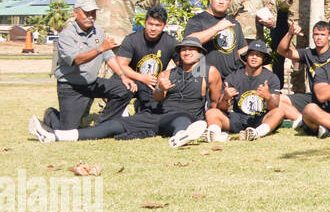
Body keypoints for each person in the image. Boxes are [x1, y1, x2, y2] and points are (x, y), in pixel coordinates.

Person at [30, 36, 215, 144]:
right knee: (113, 125)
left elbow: (214, 102)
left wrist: (212, 124)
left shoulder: (210, 73)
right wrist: (160, 86)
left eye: (193, 50)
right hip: (159, 116)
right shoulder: (167, 73)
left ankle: (180, 136)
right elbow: (158, 99)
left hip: (188, 117)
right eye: (184, 50)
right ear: (180, 53)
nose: (188, 52)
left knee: (181, 118)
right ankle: (55, 136)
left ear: (200, 54)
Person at [31, 0, 132, 135]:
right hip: (71, 86)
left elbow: (108, 56)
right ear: (75, 13)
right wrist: (99, 49)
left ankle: (101, 125)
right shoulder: (67, 35)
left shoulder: (98, 31)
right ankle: (51, 115)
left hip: (91, 83)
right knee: (68, 130)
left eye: (93, 13)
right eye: (87, 13)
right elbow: (77, 60)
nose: (90, 17)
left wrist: (123, 76)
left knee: (125, 89)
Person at [203, 40, 297, 142]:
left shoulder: (271, 78)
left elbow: (274, 106)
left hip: (260, 119)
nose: (254, 57)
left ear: (264, 58)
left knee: (279, 112)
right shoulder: (233, 77)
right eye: (251, 54)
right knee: (212, 112)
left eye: (258, 55)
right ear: (246, 57)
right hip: (238, 118)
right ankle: (214, 135)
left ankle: (256, 133)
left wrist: (268, 97)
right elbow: (221, 108)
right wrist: (226, 98)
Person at [108, 4, 177, 114]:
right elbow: (120, 65)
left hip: (152, 85)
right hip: (129, 79)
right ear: (145, 22)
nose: (153, 28)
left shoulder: (171, 42)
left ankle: (140, 107)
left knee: (153, 114)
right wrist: (141, 77)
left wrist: (164, 77)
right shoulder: (132, 39)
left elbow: (182, 66)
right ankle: (117, 112)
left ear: (164, 25)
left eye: (158, 25)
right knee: (119, 86)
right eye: (150, 24)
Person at [183, 0, 247, 79]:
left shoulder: (234, 23)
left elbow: (242, 51)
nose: (221, 1)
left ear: (229, 2)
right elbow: (189, 41)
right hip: (203, 78)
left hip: (230, 80)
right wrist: (217, 28)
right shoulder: (198, 20)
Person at [265, 0, 297, 82]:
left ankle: (299, 88)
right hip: (279, 25)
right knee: (277, 56)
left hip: (296, 23)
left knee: (298, 57)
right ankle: (277, 86)